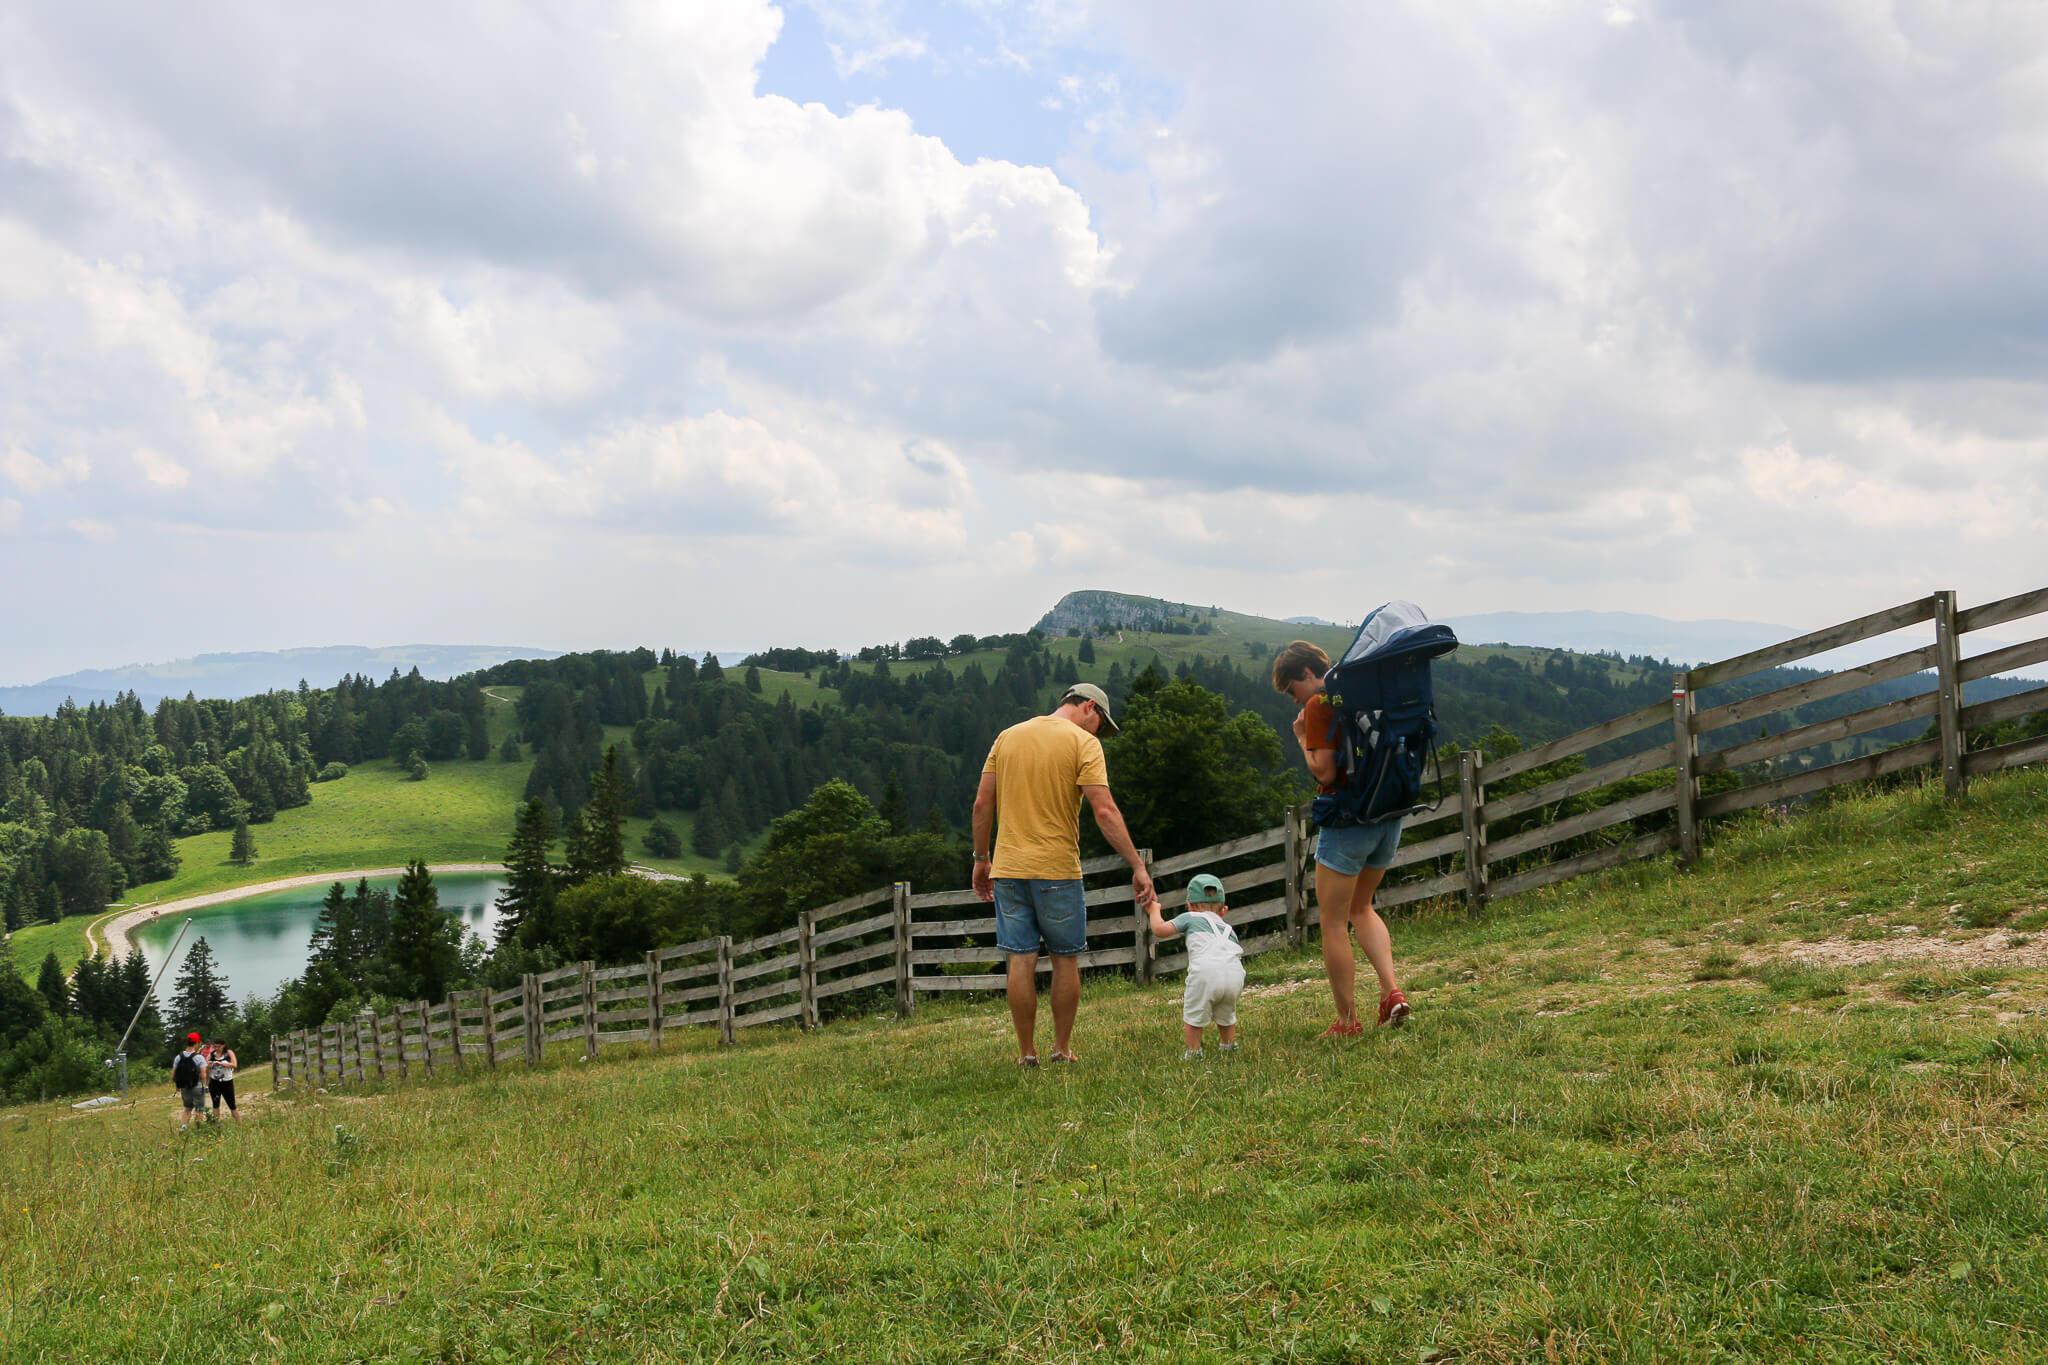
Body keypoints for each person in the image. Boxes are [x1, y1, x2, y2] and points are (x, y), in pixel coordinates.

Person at [972, 682, 1155, 1066]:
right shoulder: (1083, 744)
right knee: (1065, 959)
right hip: (1058, 869)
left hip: (1009, 868)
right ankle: (1062, 1048)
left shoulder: (1008, 737)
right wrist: (1136, 866)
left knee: (1020, 959)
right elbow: (1104, 811)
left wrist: (981, 858)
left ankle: (1026, 1054)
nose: (1098, 734)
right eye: (1100, 725)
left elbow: (982, 803)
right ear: (1089, 706)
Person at [1273, 640, 1411, 1035]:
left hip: (1348, 821)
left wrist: (1302, 737)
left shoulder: (1319, 705)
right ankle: (1392, 993)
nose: (1293, 698)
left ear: (1305, 674)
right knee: (1362, 908)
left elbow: (1325, 772)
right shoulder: (1364, 693)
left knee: (1333, 924)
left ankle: (1347, 1021)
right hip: (1388, 815)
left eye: (1290, 689)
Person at [1146, 873, 1244, 1060]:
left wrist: (1153, 911)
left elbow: (1160, 930)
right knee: (1226, 1013)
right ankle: (1229, 1046)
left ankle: (1194, 1052)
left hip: (1205, 974)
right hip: (1235, 974)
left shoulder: (1190, 917)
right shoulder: (1229, 930)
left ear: (1190, 905)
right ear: (1224, 910)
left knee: (1194, 1015)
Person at [172, 1033, 209, 1130]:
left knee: (187, 1109)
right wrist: (204, 1085)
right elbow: (204, 1074)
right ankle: (199, 1129)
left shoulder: (178, 1057)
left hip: (184, 1087)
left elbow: (173, 1075)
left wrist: (178, 1085)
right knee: (199, 1109)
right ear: (197, 1043)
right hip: (197, 1086)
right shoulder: (199, 1057)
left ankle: (183, 1128)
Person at [206, 1037, 240, 1123]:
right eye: (215, 1046)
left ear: (223, 1045)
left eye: (219, 1047)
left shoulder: (229, 1052)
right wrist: (209, 1065)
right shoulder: (212, 1054)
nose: (217, 1048)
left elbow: (234, 1065)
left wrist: (221, 1063)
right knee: (215, 1104)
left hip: (227, 1082)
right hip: (214, 1082)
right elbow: (206, 1066)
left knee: (232, 1105)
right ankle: (217, 1125)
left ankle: (240, 1124)